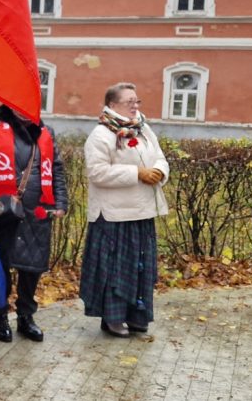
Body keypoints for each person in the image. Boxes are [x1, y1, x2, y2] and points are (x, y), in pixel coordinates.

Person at [80, 82, 169, 338]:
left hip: (141, 212)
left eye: (136, 101)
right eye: (128, 101)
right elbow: (97, 173)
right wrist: (136, 173)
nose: (134, 106)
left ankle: (138, 316)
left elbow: (160, 157)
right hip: (114, 215)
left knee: (140, 267)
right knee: (116, 269)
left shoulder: (143, 129)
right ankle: (113, 318)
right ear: (112, 105)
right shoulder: (101, 134)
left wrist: (159, 172)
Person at [0, 104, 68, 343]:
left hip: (38, 209)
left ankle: (26, 316)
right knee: (1, 266)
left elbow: (56, 168)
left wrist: (60, 201)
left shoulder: (44, 131)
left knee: (32, 267)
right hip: (3, 211)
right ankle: (0, 316)